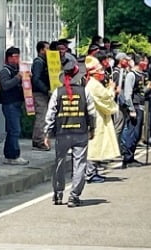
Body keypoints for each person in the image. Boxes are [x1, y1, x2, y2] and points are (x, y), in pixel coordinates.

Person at [43, 58, 96, 207]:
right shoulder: (85, 92)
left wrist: (47, 133)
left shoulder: (57, 92)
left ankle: (58, 194)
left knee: (59, 163)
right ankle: (74, 196)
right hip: (81, 132)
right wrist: (93, 129)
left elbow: (50, 114)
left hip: (62, 133)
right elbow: (92, 113)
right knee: (79, 164)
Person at [84, 56, 120, 183]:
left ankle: (93, 171)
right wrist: (111, 88)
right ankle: (90, 173)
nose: (103, 74)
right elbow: (107, 97)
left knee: (96, 144)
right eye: (100, 72)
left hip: (97, 115)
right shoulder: (94, 85)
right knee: (94, 144)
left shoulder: (93, 84)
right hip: (96, 117)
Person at [120, 54, 151, 168]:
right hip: (134, 106)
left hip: (141, 105)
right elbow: (127, 94)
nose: (146, 64)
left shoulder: (143, 75)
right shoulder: (132, 75)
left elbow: (141, 92)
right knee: (132, 132)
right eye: (145, 61)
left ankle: (132, 156)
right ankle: (127, 157)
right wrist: (131, 109)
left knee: (138, 133)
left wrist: (149, 88)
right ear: (140, 62)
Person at [0, 47, 30, 164]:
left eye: (18, 56)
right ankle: (13, 155)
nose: (18, 59)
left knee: (13, 130)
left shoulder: (16, 69)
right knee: (14, 130)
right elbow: (5, 85)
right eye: (15, 56)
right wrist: (18, 77)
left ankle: (10, 154)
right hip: (9, 103)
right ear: (9, 57)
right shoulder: (5, 71)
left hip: (17, 102)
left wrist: (26, 78)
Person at [31, 41, 51, 151]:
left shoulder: (44, 62)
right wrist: (46, 89)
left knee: (44, 116)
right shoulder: (38, 62)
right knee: (41, 116)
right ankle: (38, 140)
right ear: (41, 50)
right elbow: (36, 79)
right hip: (40, 93)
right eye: (47, 48)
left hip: (43, 92)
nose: (49, 51)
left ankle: (41, 139)